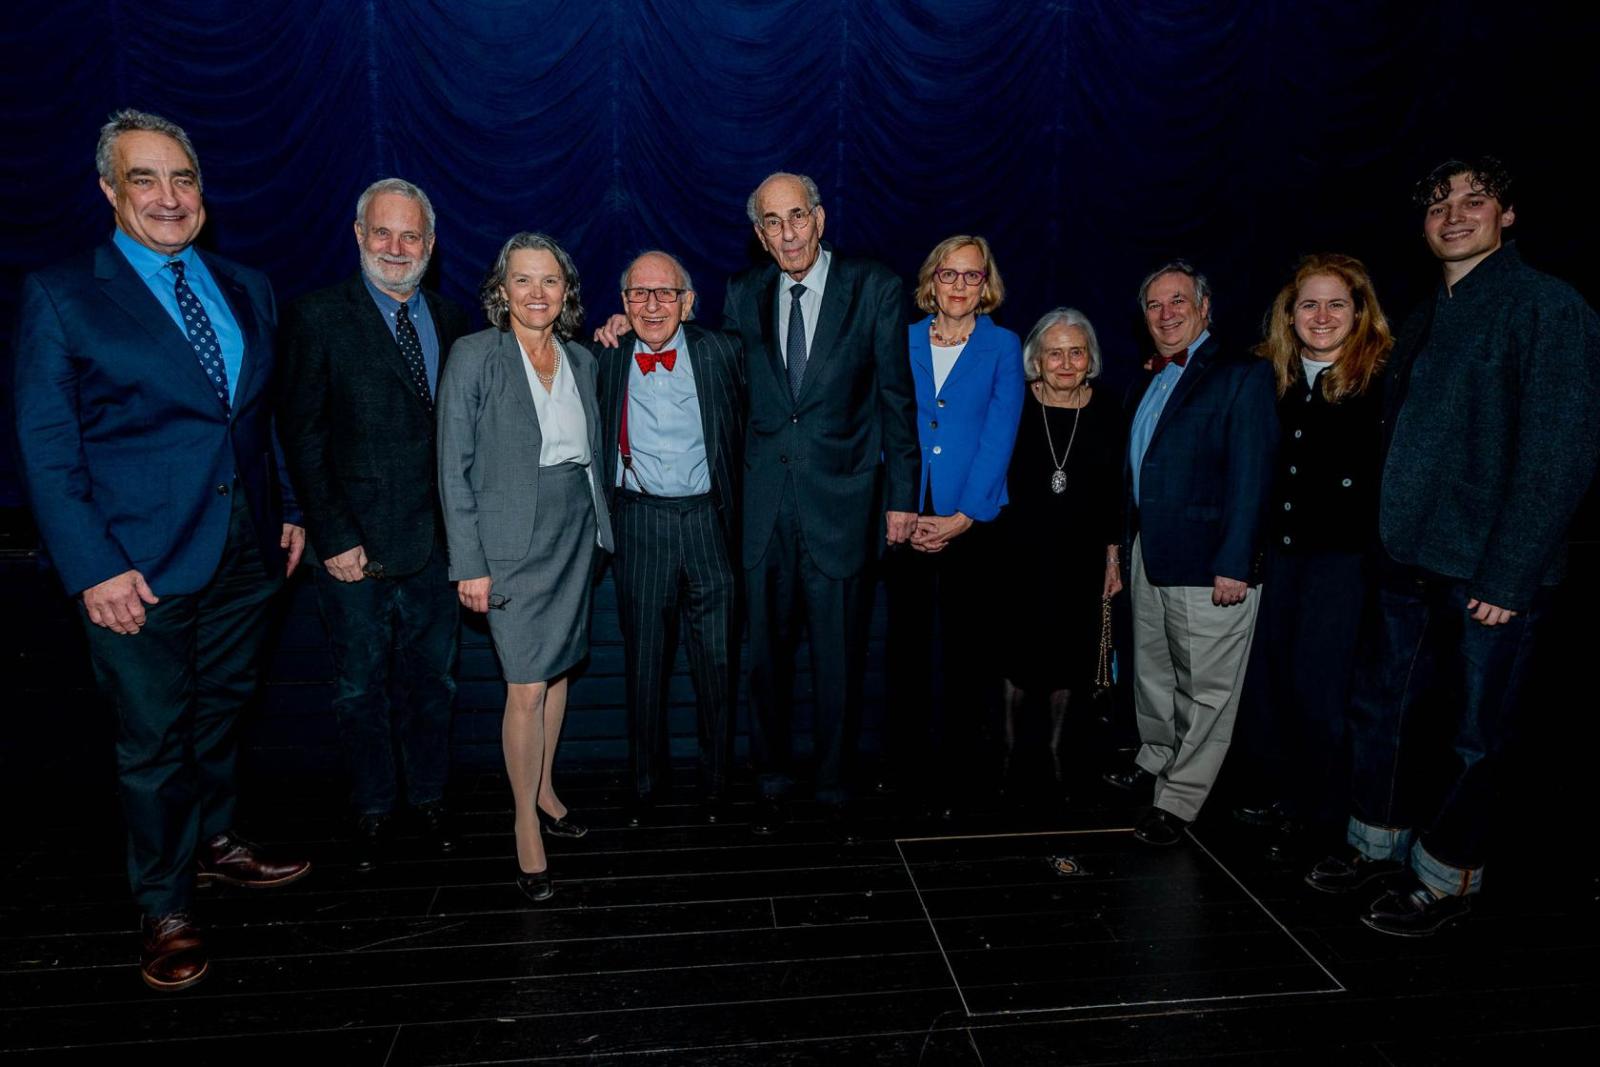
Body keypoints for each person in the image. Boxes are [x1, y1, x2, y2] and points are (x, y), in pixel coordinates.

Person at [13, 109, 311, 991]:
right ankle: (166, 903)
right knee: (152, 740)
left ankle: (214, 843)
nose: (170, 197)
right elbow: (46, 443)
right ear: (109, 190)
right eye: (146, 179)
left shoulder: (245, 284)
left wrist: (287, 505)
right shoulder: (65, 293)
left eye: (183, 179)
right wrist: (92, 564)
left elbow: (256, 418)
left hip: (248, 550)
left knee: (219, 712)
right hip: (133, 566)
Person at [1306, 157, 1600, 936]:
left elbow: (1560, 452)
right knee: (1387, 712)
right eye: (1439, 204)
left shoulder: (1547, 306)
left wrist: (1510, 574)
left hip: (1490, 572)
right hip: (1408, 559)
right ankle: (1378, 844)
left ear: (1508, 216)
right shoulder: (1427, 312)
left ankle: (1447, 878)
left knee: (1476, 734)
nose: (1455, 213)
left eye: (1476, 200)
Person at [278, 178, 470, 871]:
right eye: (383, 233)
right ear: (359, 235)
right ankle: (374, 806)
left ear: (430, 243)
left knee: (434, 684)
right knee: (360, 687)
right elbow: (301, 435)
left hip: (437, 547)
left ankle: (428, 798)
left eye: (410, 235)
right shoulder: (316, 317)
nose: (397, 248)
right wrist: (332, 535)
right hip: (352, 550)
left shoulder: (454, 319)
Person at [721, 172, 920, 841]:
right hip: (764, 510)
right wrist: (623, 335)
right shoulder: (742, 294)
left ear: (821, 218)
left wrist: (901, 499)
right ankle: (772, 774)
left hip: (844, 505)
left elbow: (898, 400)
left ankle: (835, 781)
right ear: (759, 234)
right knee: (764, 660)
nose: (787, 233)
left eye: (796, 216)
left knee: (839, 657)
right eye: (772, 222)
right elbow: (721, 386)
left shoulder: (875, 288)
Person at [436, 232, 614, 902]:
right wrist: (469, 562)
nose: (537, 293)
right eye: (523, 280)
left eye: (550, 281)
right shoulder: (474, 356)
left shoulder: (582, 360)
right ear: (500, 290)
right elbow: (451, 466)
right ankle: (523, 825)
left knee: (560, 664)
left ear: (565, 290)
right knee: (526, 685)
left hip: (574, 531)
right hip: (508, 542)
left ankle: (545, 789)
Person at [1104, 261, 1278, 846]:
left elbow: (1254, 477)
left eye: (1179, 301)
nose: (1167, 314)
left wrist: (1237, 561)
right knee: (1153, 672)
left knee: (1207, 686)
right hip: (1149, 555)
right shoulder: (1147, 380)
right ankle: (1156, 757)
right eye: (1155, 306)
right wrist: (1119, 551)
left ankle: (1180, 799)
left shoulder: (1241, 375)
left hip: (1210, 565)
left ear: (1205, 308)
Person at [1230, 254, 1390, 859]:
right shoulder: (1273, 377)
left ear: (1360, 312)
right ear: (1289, 315)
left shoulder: (1384, 379)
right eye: (1308, 304)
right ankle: (1282, 793)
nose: (1321, 315)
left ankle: (1323, 817)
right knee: (1275, 685)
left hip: (1344, 563)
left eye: (1336, 304)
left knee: (1325, 693)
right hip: (1282, 555)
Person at [595, 251, 745, 826]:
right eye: (639, 294)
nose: (652, 306)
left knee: (718, 662)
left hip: (710, 522)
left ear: (687, 302)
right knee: (645, 663)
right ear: (623, 304)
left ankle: (717, 783)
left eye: (664, 294)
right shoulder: (602, 358)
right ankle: (645, 785)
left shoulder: (722, 352)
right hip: (640, 522)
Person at [882, 235, 1023, 818]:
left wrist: (963, 517)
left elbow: (1000, 434)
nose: (960, 286)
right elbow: (887, 421)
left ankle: (969, 772)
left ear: (986, 283)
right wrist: (907, 508)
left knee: (970, 655)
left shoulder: (1003, 346)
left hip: (974, 520)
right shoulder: (902, 339)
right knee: (906, 653)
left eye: (972, 275)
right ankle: (907, 770)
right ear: (931, 280)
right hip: (906, 518)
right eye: (949, 274)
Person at [995, 308, 1126, 798]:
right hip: (1017, 553)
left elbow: (1118, 488)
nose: (1067, 363)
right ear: (1036, 360)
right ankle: (1008, 754)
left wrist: (1113, 556)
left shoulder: (1109, 408)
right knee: (1015, 655)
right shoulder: (1013, 403)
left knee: (1071, 655)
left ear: (1090, 358)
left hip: (1082, 556)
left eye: (1077, 352)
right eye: (1055, 353)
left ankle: (1056, 751)